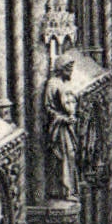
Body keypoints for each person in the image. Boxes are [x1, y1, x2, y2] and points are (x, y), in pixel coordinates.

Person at [44, 56, 79, 199]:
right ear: (61, 69)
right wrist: (63, 119)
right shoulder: (52, 83)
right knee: (65, 155)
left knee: (70, 154)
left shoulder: (64, 83)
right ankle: (64, 190)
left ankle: (69, 189)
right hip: (59, 128)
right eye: (69, 69)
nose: (71, 72)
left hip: (67, 126)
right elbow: (48, 108)